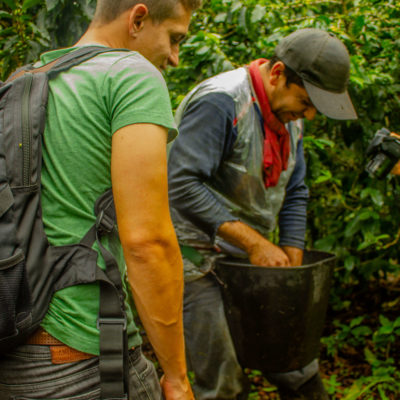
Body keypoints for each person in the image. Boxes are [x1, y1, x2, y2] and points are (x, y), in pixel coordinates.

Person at [0, 1, 201, 399]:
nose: (175, 58)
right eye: (174, 38)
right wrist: (176, 375)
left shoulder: (21, 79)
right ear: (138, 19)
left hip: (14, 350)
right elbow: (148, 242)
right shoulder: (130, 74)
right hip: (84, 357)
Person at [168, 28, 357, 400]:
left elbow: (296, 190)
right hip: (195, 260)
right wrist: (256, 243)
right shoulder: (221, 102)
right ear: (277, 74)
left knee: (294, 362)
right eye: (305, 101)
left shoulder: (291, 117)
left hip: (249, 259)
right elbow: (180, 184)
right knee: (222, 380)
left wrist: (291, 251)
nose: (309, 114)